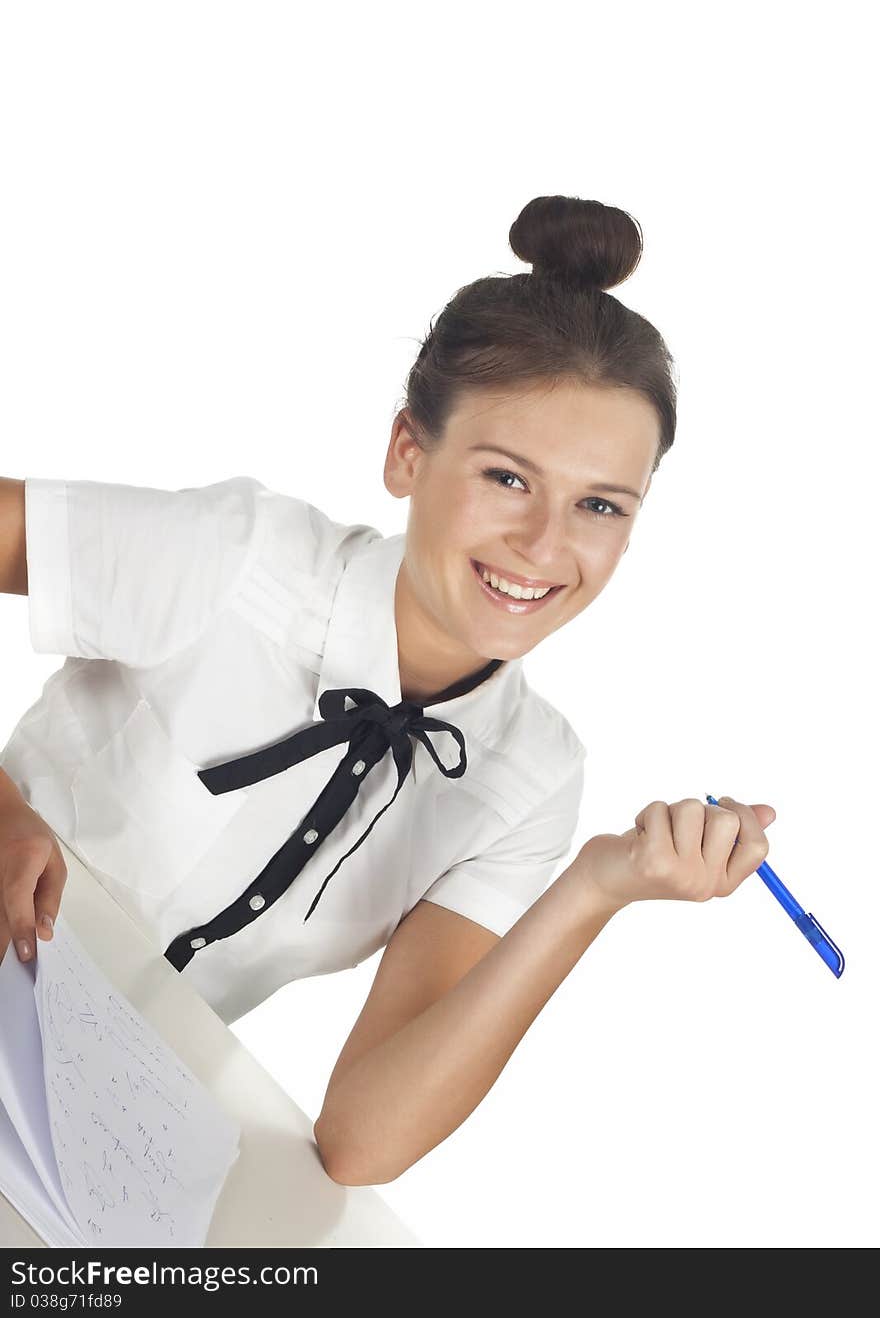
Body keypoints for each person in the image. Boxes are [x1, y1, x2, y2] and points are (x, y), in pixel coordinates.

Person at [0, 194, 776, 1187]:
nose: (544, 546)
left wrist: (595, 888)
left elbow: (361, 1141)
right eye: (506, 478)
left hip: (73, 1121)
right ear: (409, 452)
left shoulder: (530, 772)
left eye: (597, 505)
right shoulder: (237, 562)